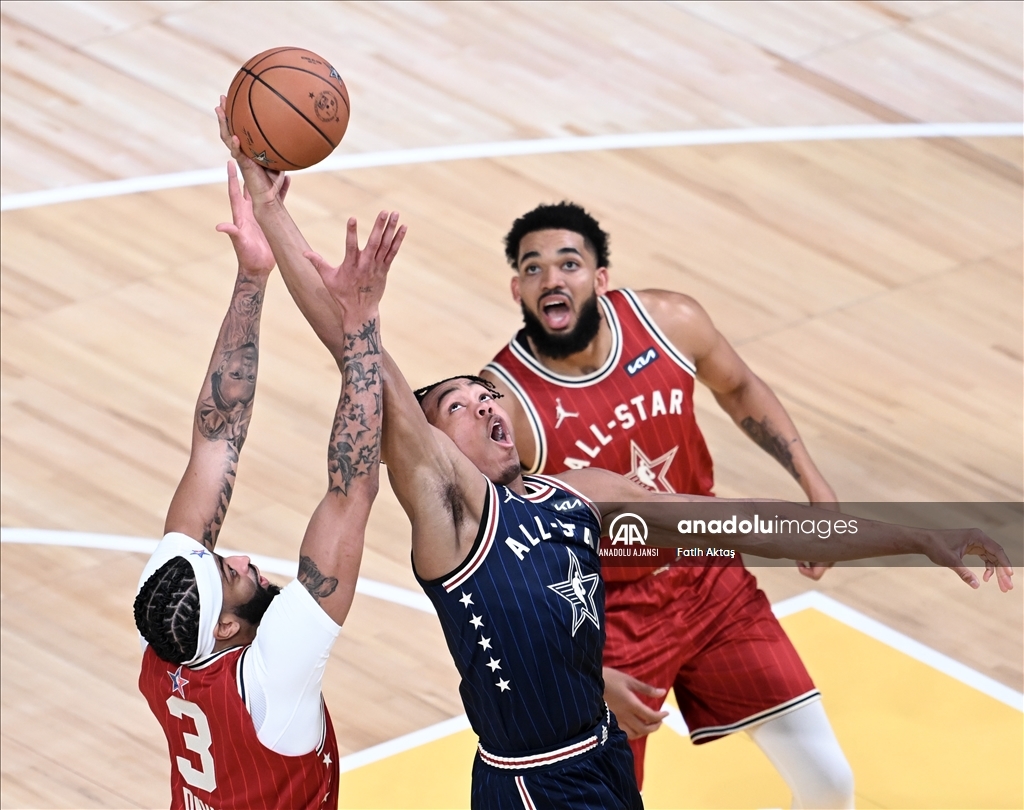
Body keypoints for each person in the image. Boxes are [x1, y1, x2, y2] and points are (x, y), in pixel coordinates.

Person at [215, 129, 1012, 808]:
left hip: (599, 755)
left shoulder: (579, 496)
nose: (487, 406)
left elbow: (758, 524)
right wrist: (274, 210)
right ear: (428, 444)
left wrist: (919, 533)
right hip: (532, 784)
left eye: (487, 396)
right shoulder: (452, 514)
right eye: (458, 405)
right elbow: (353, 353)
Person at [477, 202, 868, 805]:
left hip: (709, 578)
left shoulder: (669, 323)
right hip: (604, 616)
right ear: (517, 289)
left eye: (568, 264)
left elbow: (739, 386)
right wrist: (585, 674)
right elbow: (503, 568)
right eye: (533, 268)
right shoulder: (505, 406)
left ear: (600, 277)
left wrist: (817, 489)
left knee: (829, 781)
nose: (551, 278)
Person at [133, 162, 404, 810]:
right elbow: (350, 493)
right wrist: (359, 324)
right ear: (228, 628)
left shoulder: (173, 625)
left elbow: (217, 436)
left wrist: (252, 276)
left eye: (221, 561)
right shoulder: (271, 684)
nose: (242, 558)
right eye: (233, 575)